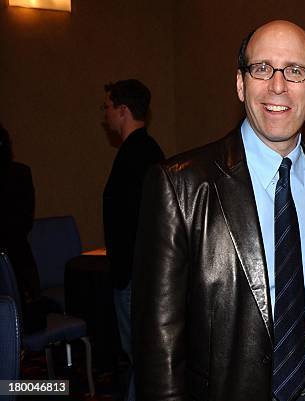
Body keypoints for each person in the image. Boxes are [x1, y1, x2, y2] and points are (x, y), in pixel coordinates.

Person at [132, 20, 305, 401]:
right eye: (261, 68)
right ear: (240, 83)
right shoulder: (180, 185)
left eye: (295, 71)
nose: (277, 85)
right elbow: (157, 342)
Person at [102, 79, 165, 401]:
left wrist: (127, 275)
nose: (105, 115)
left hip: (134, 277)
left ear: (123, 110)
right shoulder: (146, 151)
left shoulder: (136, 156)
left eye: (109, 107)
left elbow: (141, 224)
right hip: (137, 274)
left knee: (140, 357)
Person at [0, 124, 45, 333]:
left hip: (15, 261)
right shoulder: (20, 173)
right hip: (20, 257)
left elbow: (22, 221)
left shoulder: (18, 174)